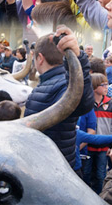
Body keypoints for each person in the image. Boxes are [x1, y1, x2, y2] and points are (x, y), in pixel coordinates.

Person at [24, 25, 94, 169]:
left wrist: (79, 58)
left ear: (40, 58)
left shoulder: (64, 83)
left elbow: (82, 103)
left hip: (55, 170)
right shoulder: (55, 82)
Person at [83, 73, 112, 194]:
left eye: (106, 84)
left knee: (101, 174)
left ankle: (100, 196)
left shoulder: (111, 104)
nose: (106, 87)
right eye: (102, 85)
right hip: (88, 146)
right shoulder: (86, 104)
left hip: (104, 147)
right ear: (93, 87)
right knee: (86, 173)